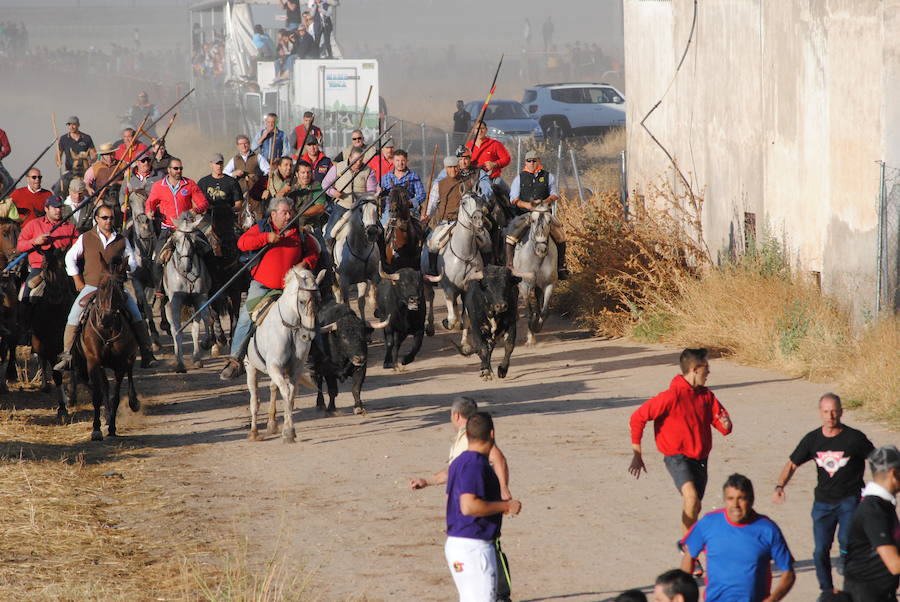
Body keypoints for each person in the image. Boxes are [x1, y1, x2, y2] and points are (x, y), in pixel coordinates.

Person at [410, 396, 514, 601]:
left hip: (458, 538)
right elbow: (469, 505)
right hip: (473, 540)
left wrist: (502, 488)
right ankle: (502, 595)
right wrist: (505, 502)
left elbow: (492, 459)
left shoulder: (467, 447)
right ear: (491, 434)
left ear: (456, 415)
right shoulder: (473, 454)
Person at [771, 393, 875, 595]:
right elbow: (793, 463)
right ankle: (826, 590)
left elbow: (876, 459)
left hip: (850, 499)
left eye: (835, 411)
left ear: (842, 412)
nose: (831, 416)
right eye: (826, 411)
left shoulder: (854, 438)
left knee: (847, 540)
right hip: (823, 503)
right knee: (820, 551)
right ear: (820, 413)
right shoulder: (813, 439)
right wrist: (779, 486)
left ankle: (849, 577)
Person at [629, 348, 733, 535]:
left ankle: (688, 544)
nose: (709, 372)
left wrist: (725, 423)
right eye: (706, 368)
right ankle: (689, 548)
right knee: (692, 499)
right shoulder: (671, 396)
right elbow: (638, 418)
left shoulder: (706, 396)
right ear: (695, 369)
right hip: (677, 457)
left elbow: (723, 425)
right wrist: (637, 453)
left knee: (695, 506)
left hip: (701, 458)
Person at [219, 197, 319, 380]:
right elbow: (242, 243)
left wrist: (306, 262)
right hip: (263, 285)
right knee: (245, 317)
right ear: (273, 214)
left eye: (290, 212)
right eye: (284, 212)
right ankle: (235, 360)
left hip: (290, 288)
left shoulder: (300, 233)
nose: (289, 216)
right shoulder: (262, 227)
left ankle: (314, 357)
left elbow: (314, 251)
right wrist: (266, 238)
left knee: (310, 314)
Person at [55, 203, 157, 370]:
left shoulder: (121, 239)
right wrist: (77, 280)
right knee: (74, 316)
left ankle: (147, 352)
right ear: (96, 219)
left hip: (116, 289)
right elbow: (69, 258)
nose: (108, 221)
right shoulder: (86, 237)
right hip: (92, 287)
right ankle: (67, 355)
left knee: (136, 314)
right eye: (104, 217)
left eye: (111, 217)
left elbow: (132, 259)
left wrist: (128, 266)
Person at [444, 412, 522, 602]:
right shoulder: (475, 464)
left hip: (458, 544)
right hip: (474, 547)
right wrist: (505, 506)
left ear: (467, 435)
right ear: (492, 434)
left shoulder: (459, 462)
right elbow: (469, 506)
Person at [681, 474, 795, 602]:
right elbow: (689, 557)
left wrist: (772, 599)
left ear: (751, 499)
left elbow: (788, 572)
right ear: (724, 500)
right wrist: (684, 594)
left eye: (741, 498)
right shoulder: (708, 523)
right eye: (730, 498)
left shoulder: (767, 529)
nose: (735, 504)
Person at [144, 158, 209, 296]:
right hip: (168, 229)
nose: (179, 171)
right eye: (176, 168)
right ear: (169, 170)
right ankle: (159, 289)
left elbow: (203, 203)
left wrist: (195, 210)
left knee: (208, 251)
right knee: (156, 259)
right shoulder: (158, 186)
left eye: (180, 168)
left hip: (188, 228)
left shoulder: (189, 184)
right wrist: (149, 211)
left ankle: (213, 283)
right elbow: (150, 202)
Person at [843, 445, 900, 601]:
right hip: (866, 596)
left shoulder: (882, 505)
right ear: (894, 473)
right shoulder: (873, 510)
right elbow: (894, 564)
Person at [504, 150, 568, 279]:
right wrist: (527, 205)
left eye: (534, 160)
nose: (532, 163)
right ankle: (509, 265)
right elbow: (513, 199)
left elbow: (555, 194)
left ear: (539, 161)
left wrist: (544, 202)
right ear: (525, 162)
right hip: (525, 214)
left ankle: (560, 266)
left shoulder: (549, 176)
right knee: (510, 237)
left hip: (544, 213)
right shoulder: (519, 177)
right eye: (529, 161)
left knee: (561, 236)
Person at [15, 195, 79, 302]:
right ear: (46, 208)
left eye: (60, 207)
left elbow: (78, 249)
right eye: (54, 207)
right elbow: (20, 246)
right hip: (39, 268)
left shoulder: (70, 227)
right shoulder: (33, 225)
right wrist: (35, 241)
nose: (58, 210)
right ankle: (24, 317)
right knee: (26, 295)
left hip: (63, 269)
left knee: (78, 294)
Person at [321, 147, 376, 250]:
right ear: (350, 158)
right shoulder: (338, 168)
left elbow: (371, 192)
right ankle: (327, 256)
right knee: (330, 231)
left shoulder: (369, 171)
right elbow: (325, 184)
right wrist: (333, 192)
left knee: (378, 229)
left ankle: (383, 257)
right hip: (342, 206)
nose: (358, 163)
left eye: (361, 160)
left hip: (361, 208)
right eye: (356, 160)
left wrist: (364, 199)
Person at [197, 153, 242, 250]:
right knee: (198, 239)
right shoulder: (203, 182)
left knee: (236, 240)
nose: (219, 166)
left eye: (221, 163)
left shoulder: (231, 182)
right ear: (211, 164)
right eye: (216, 163)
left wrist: (230, 209)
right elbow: (196, 201)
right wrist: (201, 210)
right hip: (208, 219)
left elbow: (238, 203)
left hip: (227, 219)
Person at [378, 149, 425, 223]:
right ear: (393, 161)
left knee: (419, 229)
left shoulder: (413, 176)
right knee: (382, 229)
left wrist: (410, 202)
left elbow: (422, 194)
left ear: (407, 161)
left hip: (408, 210)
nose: (400, 163)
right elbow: (378, 195)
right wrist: (379, 191)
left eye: (403, 160)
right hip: (390, 211)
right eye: (397, 160)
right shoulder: (386, 177)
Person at [466, 121, 511, 194]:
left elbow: (507, 159)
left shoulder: (494, 144)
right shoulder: (469, 146)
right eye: (477, 129)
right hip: (474, 180)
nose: (480, 131)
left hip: (493, 179)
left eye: (482, 128)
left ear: (486, 130)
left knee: (509, 193)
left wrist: (494, 164)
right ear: (474, 130)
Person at [225, 135, 270, 199]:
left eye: (245, 143)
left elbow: (268, 170)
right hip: (240, 193)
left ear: (249, 144)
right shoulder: (234, 159)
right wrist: (233, 174)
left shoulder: (257, 156)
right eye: (241, 144)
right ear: (237, 146)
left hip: (255, 192)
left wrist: (257, 176)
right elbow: (224, 173)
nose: (243, 146)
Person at [0, 126, 12, 193]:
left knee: (10, 183)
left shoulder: (1, 133)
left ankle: (5, 202)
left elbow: (7, 149)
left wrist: (0, 155)